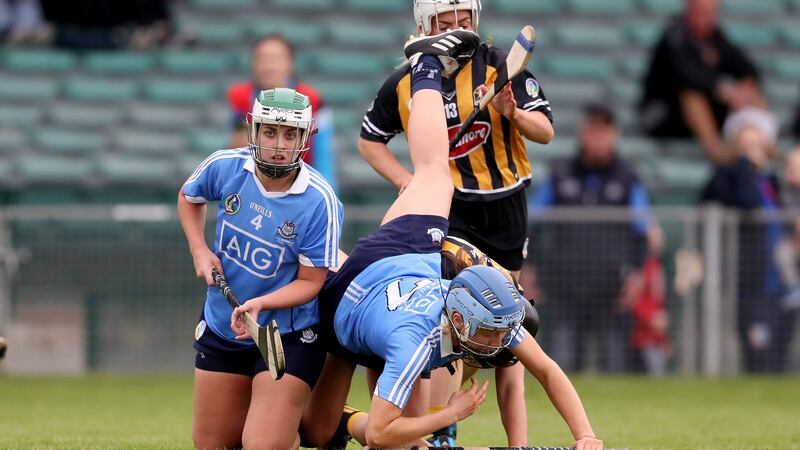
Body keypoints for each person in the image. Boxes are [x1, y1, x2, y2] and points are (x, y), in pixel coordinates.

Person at [241, 29, 601, 450]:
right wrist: (449, 416)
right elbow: (379, 434)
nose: (498, 343)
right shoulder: (416, 340)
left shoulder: (489, 311)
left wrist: (586, 436)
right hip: (359, 293)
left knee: (367, 436)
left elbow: (547, 370)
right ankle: (427, 66)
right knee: (436, 172)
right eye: (490, 336)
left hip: (403, 281)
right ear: (462, 322)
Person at [358, 1, 554, 444]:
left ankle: (516, 442)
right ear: (426, 25)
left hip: (505, 207)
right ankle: (439, 430)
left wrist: (512, 112)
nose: (458, 27)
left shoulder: (500, 65)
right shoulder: (407, 80)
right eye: (446, 21)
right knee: (448, 320)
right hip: (448, 210)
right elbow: (370, 140)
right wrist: (408, 182)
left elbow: (545, 131)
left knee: (510, 322)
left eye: (464, 18)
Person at [178, 87, 343, 449]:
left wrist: (262, 304)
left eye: (290, 134)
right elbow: (189, 197)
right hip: (225, 327)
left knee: (262, 446)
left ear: (305, 137)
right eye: (270, 132)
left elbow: (310, 283)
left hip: (287, 336)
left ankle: (299, 426)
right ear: (254, 130)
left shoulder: (320, 200)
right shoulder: (227, 165)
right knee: (214, 444)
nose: (279, 144)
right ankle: (289, 422)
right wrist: (199, 250)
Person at [523, 103, 651, 373]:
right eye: (592, 130)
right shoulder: (560, 175)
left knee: (614, 366)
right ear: (582, 133)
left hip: (611, 288)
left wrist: (638, 275)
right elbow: (534, 225)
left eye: (604, 131)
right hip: (565, 286)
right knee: (562, 366)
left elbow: (642, 231)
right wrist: (530, 270)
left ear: (614, 134)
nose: (598, 138)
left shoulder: (628, 178)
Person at [700, 120, 793, 373]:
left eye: (757, 145)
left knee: (778, 357)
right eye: (746, 146)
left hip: (779, 281)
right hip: (751, 283)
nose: (753, 152)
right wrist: (744, 166)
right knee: (759, 356)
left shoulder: (772, 183)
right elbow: (748, 202)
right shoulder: (728, 178)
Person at [639, 0, 765, 163]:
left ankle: (761, 147)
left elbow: (748, 69)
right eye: (700, 11)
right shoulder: (674, 37)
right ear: (688, 10)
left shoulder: (715, 38)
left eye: (710, 12)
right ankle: (718, 154)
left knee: (753, 94)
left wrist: (744, 89)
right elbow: (686, 75)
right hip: (662, 114)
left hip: (700, 116)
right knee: (691, 95)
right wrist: (724, 90)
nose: (705, 18)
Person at [227, 34, 336, 190]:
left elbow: (324, 159)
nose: (268, 66)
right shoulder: (240, 98)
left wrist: (326, 193)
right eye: (262, 59)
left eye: (275, 59)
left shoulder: (315, 101)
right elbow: (235, 150)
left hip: (300, 190)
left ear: (291, 64)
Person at [629, 224, 672, 377]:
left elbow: (659, 303)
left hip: (656, 337)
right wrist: (650, 318)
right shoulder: (642, 269)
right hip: (643, 337)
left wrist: (664, 339)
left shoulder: (658, 267)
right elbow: (634, 301)